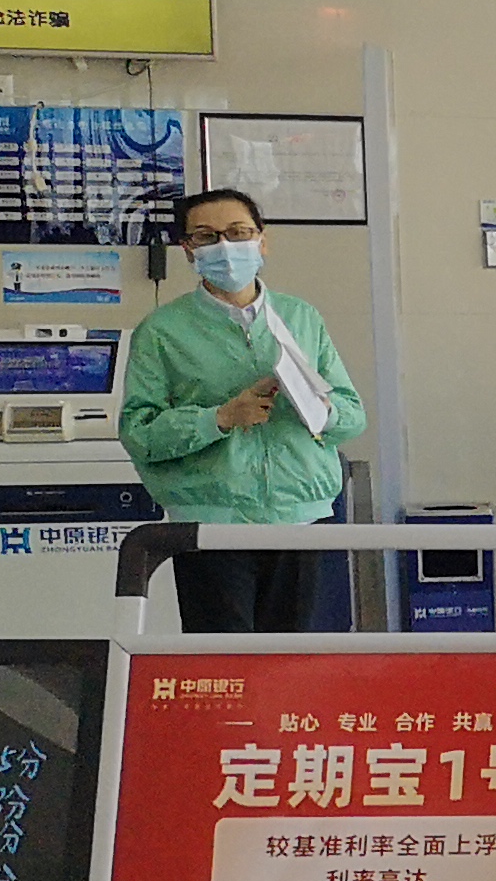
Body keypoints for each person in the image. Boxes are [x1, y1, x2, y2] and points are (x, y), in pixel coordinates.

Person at [121, 187, 367, 633]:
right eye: (206, 236)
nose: (225, 247)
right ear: (188, 250)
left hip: (299, 515)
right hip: (212, 521)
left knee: (293, 659)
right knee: (223, 660)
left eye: (238, 233)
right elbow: (139, 433)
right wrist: (218, 419)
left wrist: (320, 409)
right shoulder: (161, 331)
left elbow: (352, 415)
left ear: (262, 241)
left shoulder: (301, 317)